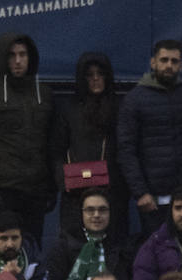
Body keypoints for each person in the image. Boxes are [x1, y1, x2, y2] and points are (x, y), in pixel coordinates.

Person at [117, 40, 182, 237]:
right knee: (158, 252)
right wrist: (140, 192)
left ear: (181, 65)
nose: (169, 65)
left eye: (174, 61)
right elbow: (125, 149)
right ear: (153, 62)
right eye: (164, 60)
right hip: (152, 198)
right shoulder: (134, 99)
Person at [0, 32, 56, 243]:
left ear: (31, 57)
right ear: (3, 58)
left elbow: (52, 145)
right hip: (3, 192)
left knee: (32, 255)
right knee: (3, 255)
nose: (17, 61)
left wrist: (52, 187)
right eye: (12, 55)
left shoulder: (45, 94)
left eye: (23, 54)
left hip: (36, 193)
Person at [51, 51, 127, 239]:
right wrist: (64, 183)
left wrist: (123, 189)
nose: (95, 79)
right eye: (90, 75)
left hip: (112, 194)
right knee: (74, 249)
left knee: (112, 249)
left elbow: (128, 151)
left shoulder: (120, 108)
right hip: (75, 195)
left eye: (100, 74)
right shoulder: (68, 109)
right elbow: (56, 151)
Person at [38, 190, 133, 280]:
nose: (96, 215)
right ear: (81, 213)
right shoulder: (63, 247)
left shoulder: (122, 246)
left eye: (102, 210)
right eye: (90, 210)